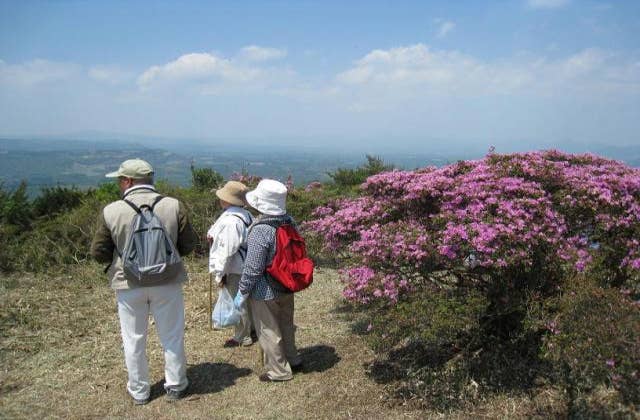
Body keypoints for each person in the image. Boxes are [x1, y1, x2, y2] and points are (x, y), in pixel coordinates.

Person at [90, 158, 197, 405]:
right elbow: (189, 244)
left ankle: (139, 391)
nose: (119, 184)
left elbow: (98, 252)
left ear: (128, 181)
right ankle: (177, 384)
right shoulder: (173, 205)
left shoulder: (111, 210)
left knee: (133, 338)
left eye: (120, 180)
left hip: (128, 283)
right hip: (168, 280)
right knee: (172, 335)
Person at [234, 179, 303, 382]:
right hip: (287, 282)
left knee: (268, 330)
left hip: (265, 289)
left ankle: (279, 371)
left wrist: (243, 290)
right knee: (286, 324)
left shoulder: (260, 229)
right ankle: (293, 359)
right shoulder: (290, 222)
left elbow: (253, 267)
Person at [207, 181, 254, 347]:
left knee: (238, 300)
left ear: (228, 200)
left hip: (236, 267)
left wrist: (220, 273)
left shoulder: (230, 221)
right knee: (247, 300)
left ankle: (242, 336)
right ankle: (250, 329)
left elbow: (227, 250)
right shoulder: (245, 215)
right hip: (246, 264)